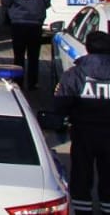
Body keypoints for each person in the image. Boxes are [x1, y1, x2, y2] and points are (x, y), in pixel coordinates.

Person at [53, 29, 110, 215]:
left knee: (81, 172)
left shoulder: (75, 74)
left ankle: (82, 209)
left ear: (87, 48)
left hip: (83, 131)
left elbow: (61, 103)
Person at [0, 0, 49, 90]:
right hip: (36, 23)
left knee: (19, 55)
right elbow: (47, 1)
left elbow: (5, 2)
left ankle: (18, 81)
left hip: (18, 22)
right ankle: (33, 83)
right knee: (34, 55)